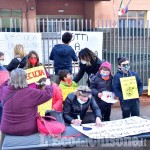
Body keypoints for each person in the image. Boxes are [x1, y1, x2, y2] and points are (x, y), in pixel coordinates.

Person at [0, 68, 53, 135]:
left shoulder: (3, 90)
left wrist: (11, 79)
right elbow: (48, 94)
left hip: (6, 129)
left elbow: (2, 85)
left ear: (11, 78)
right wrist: (48, 84)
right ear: (25, 79)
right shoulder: (31, 93)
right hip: (28, 129)